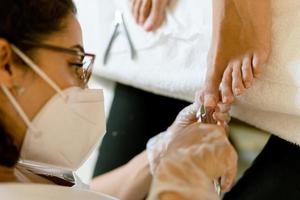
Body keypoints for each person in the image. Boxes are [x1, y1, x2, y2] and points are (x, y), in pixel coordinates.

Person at [0, 1, 237, 200]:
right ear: (6, 64)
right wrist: (183, 175)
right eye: (74, 63)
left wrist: (160, 152)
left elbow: (84, 196)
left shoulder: (19, 168)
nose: (84, 86)